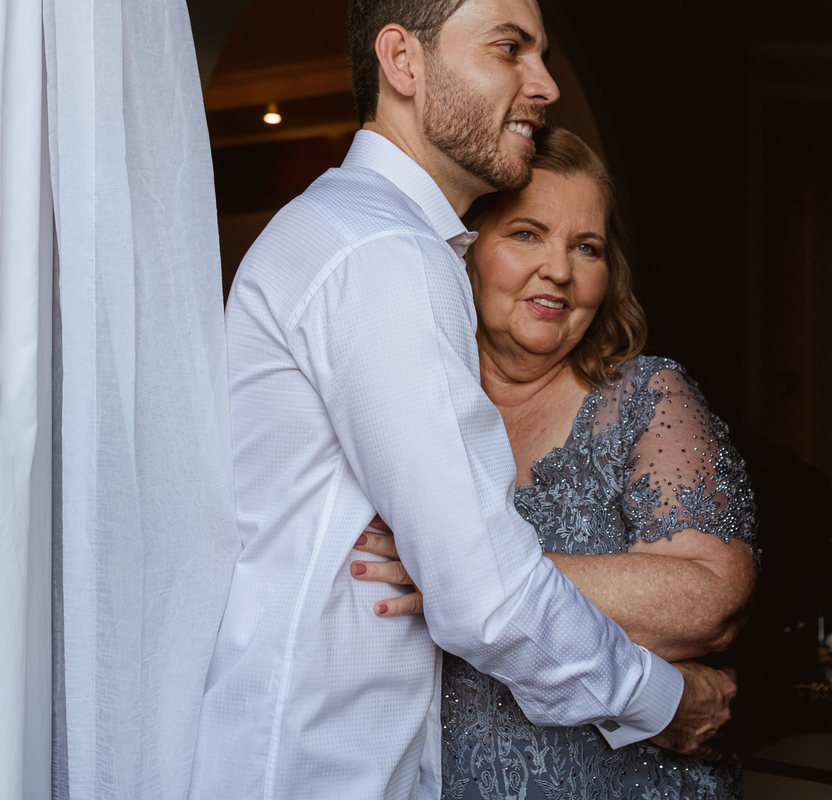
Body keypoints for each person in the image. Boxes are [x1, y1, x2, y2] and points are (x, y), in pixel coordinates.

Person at [188, 2, 733, 798]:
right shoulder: (386, 255)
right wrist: (666, 702)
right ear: (403, 62)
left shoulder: (354, 233)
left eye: (543, 55)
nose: (545, 85)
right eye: (509, 49)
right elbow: (487, 596)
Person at [351, 128, 759, 800]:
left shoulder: (646, 398)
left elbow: (710, 599)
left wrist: (457, 572)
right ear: (467, 250)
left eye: (586, 247)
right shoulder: (409, 404)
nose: (560, 271)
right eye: (527, 234)